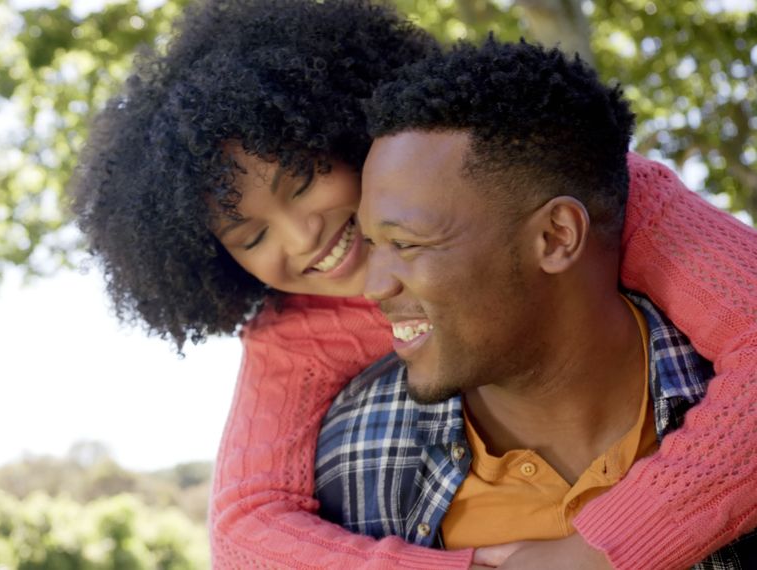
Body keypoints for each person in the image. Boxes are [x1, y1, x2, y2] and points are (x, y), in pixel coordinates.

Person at [70, 0, 757, 567]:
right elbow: (247, 532)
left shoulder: (597, 197)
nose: (301, 236)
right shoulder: (291, 335)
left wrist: (605, 551)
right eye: (252, 238)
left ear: (347, 125)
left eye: (305, 180)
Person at [314, 37, 755, 569]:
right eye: (370, 243)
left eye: (406, 243)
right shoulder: (350, 456)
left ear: (555, 236)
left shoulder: (721, 385)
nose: (374, 286)